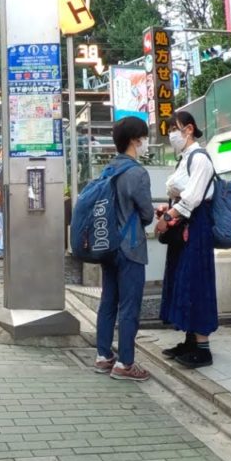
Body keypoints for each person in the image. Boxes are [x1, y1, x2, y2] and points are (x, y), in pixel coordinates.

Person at [92, 117, 155, 381]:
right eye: (144, 137)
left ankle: (103, 356)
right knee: (129, 306)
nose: (145, 142)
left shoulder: (108, 170)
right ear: (134, 140)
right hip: (130, 248)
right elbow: (147, 214)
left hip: (108, 246)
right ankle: (125, 364)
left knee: (108, 301)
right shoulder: (137, 173)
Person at [156, 111, 218, 369]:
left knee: (196, 282)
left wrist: (167, 217)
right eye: (170, 129)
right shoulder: (185, 159)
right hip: (186, 228)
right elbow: (182, 197)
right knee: (183, 281)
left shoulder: (200, 158)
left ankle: (203, 349)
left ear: (189, 129)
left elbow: (192, 198)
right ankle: (191, 341)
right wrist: (169, 209)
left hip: (197, 228)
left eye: (175, 128)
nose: (172, 134)